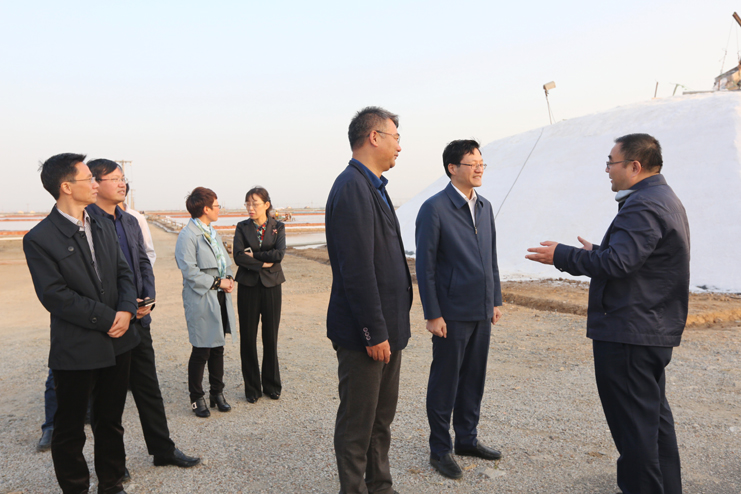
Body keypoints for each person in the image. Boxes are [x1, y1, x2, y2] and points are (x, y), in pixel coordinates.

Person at [526, 133, 689, 494]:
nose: (607, 170)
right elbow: (640, 260)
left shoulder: (643, 205)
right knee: (653, 425)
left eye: (611, 163)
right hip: (648, 329)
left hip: (630, 333)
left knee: (635, 433)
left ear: (635, 166)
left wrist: (562, 255)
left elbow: (619, 263)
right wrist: (598, 252)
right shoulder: (663, 199)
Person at [23, 153, 138, 494]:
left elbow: (123, 271)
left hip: (119, 340)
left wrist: (127, 310)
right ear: (66, 187)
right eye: (89, 179)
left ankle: (111, 484)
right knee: (70, 428)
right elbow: (55, 296)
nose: (95, 184)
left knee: (111, 421)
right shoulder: (39, 238)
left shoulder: (102, 223)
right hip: (76, 346)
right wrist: (109, 317)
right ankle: (76, 488)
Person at [87, 159, 200, 468]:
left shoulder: (130, 221)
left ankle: (163, 450)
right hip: (110, 323)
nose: (122, 183)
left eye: (123, 178)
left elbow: (143, 262)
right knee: (107, 400)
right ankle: (113, 465)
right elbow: (93, 276)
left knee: (149, 388)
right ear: (94, 183)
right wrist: (122, 308)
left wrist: (148, 299)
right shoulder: (87, 223)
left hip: (139, 320)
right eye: (114, 178)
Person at [326, 106, 413, 494]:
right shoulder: (351, 187)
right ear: (374, 137)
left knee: (380, 419)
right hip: (367, 334)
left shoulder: (373, 186)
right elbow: (357, 270)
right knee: (357, 423)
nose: (400, 147)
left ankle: (381, 486)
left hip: (388, 330)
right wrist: (373, 332)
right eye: (396, 137)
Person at [414, 139, 503, 480]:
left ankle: (467, 439)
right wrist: (432, 313)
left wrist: (495, 299)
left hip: (481, 310)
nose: (479, 168)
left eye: (481, 163)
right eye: (472, 163)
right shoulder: (434, 208)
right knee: (445, 382)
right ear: (452, 168)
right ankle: (440, 448)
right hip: (450, 313)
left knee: (473, 378)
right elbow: (426, 266)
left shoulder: (485, 206)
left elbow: (491, 257)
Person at [175, 187, 236, 418]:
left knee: (218, 346)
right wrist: (219, 282)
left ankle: (217, 394)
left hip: (219, 295)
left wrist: (229, 279)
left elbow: (225, 262)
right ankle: (196, 398)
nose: (220, 209)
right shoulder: (188, 236)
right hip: (201, 297)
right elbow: (189, 272)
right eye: (217, 205)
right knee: (202, 348)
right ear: (206, 209)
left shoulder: (212, 232)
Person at [232, 187, 286, 403]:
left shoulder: (278, 226)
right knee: (248, 338)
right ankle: (252, 388)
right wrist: (262, 262)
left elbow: (279, 254)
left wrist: (253, 255)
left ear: (266, 205)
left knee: (270, 336)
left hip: (272, 285)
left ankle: (272, 385)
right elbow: (238, 256)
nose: (250, 207)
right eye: (247, 203)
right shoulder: (242, 227)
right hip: (248, 285)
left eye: (255, 203)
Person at [122, 182, 156, 266]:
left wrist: (143, 272)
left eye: (121, 179)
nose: (120, 184)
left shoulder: (137, 218)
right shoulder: (98, 218)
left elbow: (149, 252)